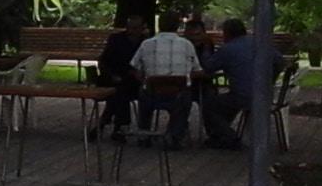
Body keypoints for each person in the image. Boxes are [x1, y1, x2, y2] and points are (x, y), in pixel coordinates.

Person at [199, 18, 282, 148]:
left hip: (242, 96)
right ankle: (221, 135)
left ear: (227, 33)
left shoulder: (227, 49)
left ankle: (229, 137)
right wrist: (270, 79)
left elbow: (208, 67)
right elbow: (279, 61)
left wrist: (206, 48)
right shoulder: (260, 44)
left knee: (210, 104)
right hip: (265, 95)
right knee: (225, 105)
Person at [130, 14, 201, 147]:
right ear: (178, 26)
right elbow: (196, 70)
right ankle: (174, 136)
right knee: (185, 96)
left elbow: (136, 68)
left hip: (152, 94)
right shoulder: (187, 45)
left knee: (143, 92)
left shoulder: (146, 44)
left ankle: (144, 133)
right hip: (178, 95)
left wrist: (144, 78)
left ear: (160, 25)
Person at [95, 15, 150, 142]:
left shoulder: (146, 42)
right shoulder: (116, 39)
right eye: (130, 27)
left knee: (120, 91)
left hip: (133, 80)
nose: (132, 31)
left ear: (142, 28)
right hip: (112, 77)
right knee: (120, 90)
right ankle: (119, 126)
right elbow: (103, 61)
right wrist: (112, 75)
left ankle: (108, 122)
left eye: (136, 28)